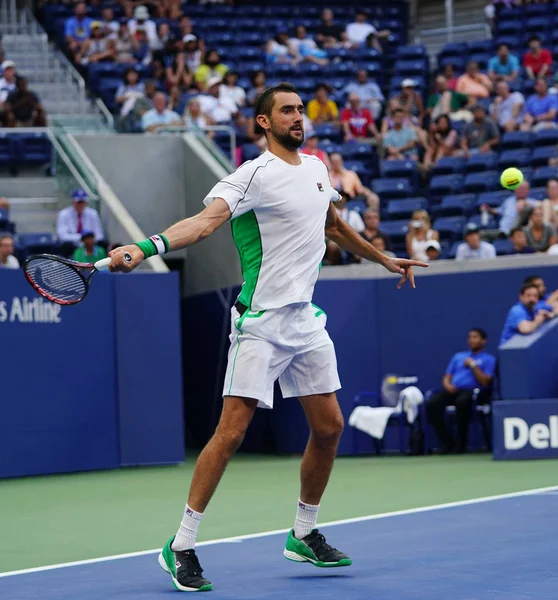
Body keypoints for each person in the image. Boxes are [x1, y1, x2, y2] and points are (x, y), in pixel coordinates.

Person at [107, 82, 428, 592]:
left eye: (301, 110)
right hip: (259, 322)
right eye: (287, 111)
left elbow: (335, 228)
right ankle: (181, 545)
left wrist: (384, 257)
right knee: (230, 434)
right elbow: (205, 223)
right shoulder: (251, 175)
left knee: (329, 427)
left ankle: (304, 534)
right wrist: (147, 247)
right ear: (263, 122)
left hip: (305, 320)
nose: (298, 117)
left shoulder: (319, 168)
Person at [425, 328, 496, 454]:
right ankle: (447, 442)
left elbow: (485, 382)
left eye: (475, 337)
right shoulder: (458, 357)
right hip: (453, 390)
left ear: (484, 341)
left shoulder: (489, 359)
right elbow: (447, 377)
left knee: (462, 403)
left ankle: (461, 444)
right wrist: (448, 385)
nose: (471, 340)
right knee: (432, 404)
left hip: (474, 392)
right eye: (470, 337)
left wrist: (473, 366)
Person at [56, 188, 104, 257]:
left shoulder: (93, 213)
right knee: (65, 246)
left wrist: (89, 240)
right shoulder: (63, 214)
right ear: (73, 202)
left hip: (90, 244)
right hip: (72, 245)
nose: (81, 205)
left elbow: (99, 235)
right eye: (78, 202)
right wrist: (83, 238)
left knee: (102, 245)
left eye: (83, 202)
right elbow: (62, 236)